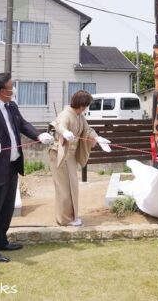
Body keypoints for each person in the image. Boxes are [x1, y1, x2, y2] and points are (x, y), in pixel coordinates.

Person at [0, 72, 54, 263]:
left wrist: (38, 136)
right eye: (10, 87)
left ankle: (1, 240)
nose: (13, 91)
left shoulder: (11, 106)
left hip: (11, 164)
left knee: (6, 207)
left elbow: (22, 124)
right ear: (1, 91)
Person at [49, 90, 111, 226]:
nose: (86, 108)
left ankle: (71, 217)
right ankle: (64, 219)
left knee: (73, 186)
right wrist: (65, 132)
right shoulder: (66, 114)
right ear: (81, 104)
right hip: (59, 153)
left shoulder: (79, 116)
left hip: (70, 155)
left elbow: (87, 130)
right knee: (64, 188)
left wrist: (97, 138)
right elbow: (59, 125)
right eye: (86, 105)